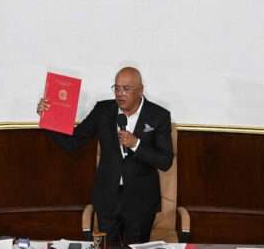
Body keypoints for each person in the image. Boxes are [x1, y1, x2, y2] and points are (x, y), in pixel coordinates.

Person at [37, 67, 173, 247]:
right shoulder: (103, 110)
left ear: (140, 90)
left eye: (126, 89)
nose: (120, 94)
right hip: (107, 198)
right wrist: (48, 118)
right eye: (116, 88)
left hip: (141, 201)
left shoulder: (159, 116)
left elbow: (165, 161)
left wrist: (136, 145)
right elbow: (73, 142)